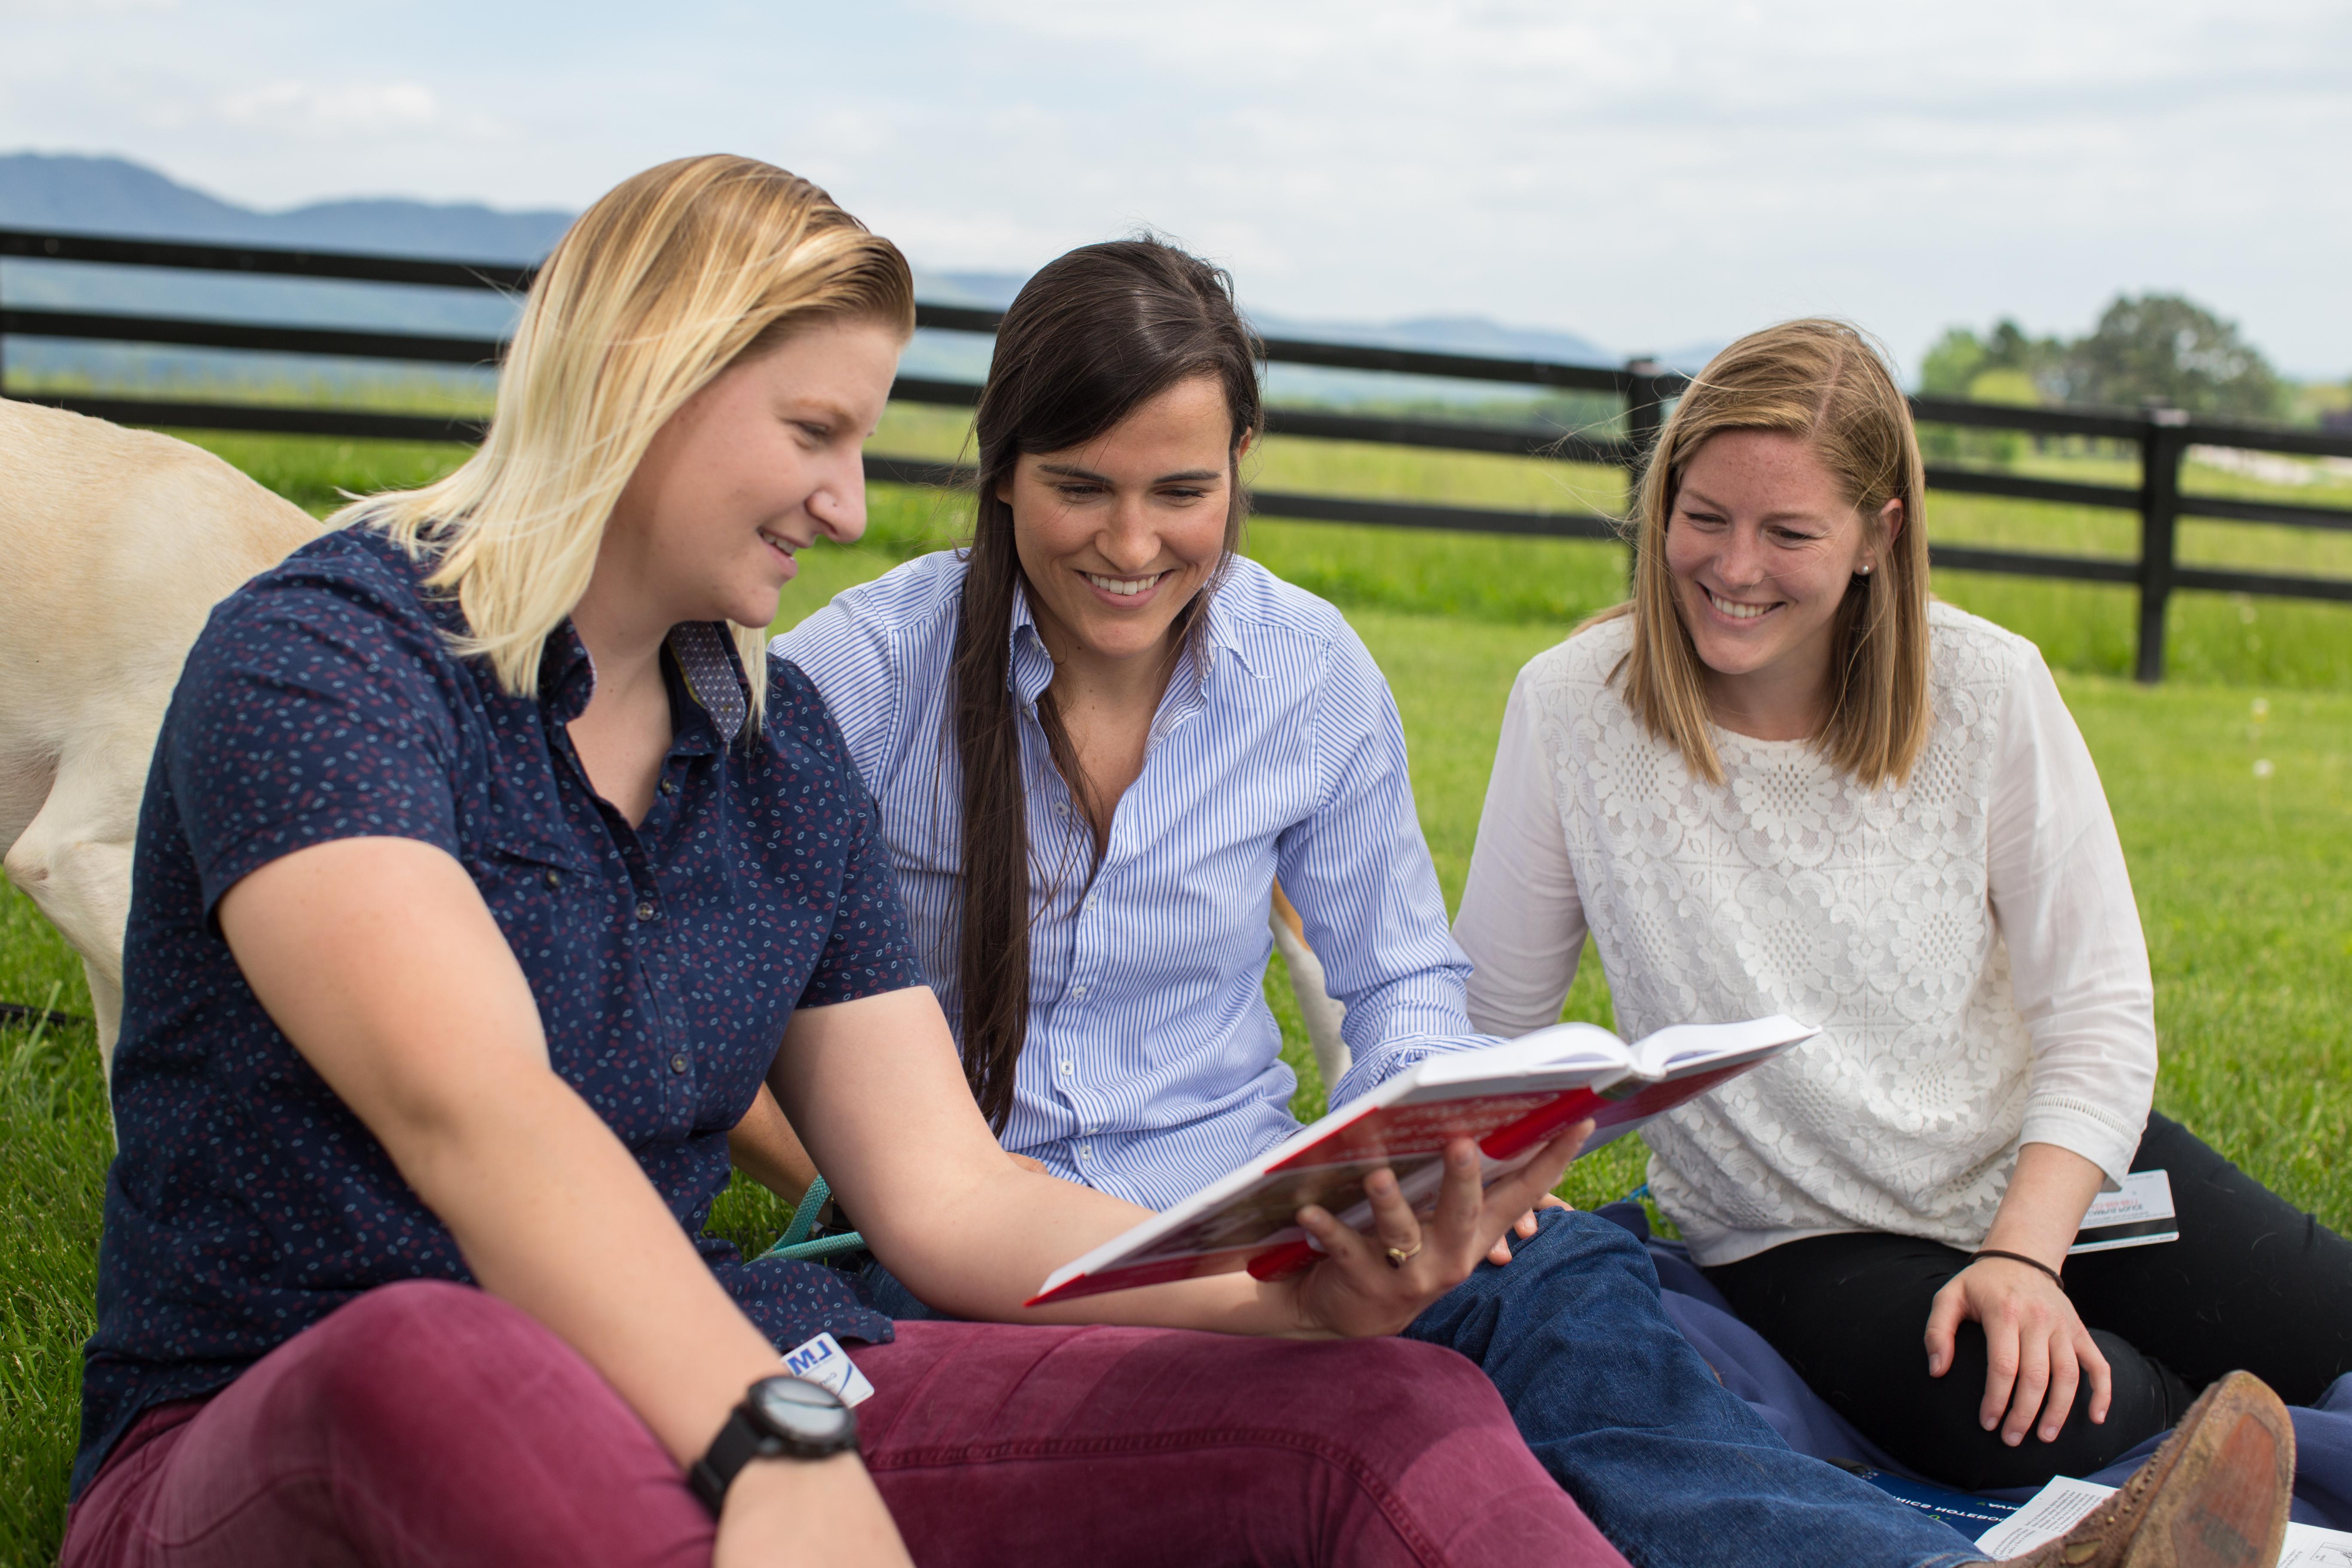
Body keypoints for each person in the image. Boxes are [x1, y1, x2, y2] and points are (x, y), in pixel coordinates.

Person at [60, 156, 1645, 1568]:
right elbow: (474, 1116)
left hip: (703, 1388)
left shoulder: (772, 742)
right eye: (814, 433)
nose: (851, 500)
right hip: (292, 1426)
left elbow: (948, 1195)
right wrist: (766, 1434)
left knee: (1378, 1405)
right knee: (436, 1354)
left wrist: (1285, 1300)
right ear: (641, 382)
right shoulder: (328, 666)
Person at [764, 237, 2293, 1568]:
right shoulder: (859, 683)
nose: (1131, 542)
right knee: (1435, 1404)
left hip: (1255, 1204)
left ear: (1240, 473)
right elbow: (755, 1016)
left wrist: (1425, 1173)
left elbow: (1406, 992)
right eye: (1078, 489)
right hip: (982, 1252)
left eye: (1183, 491)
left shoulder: (1308, 678)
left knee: (1585, 1308)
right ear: (998, 467)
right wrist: (869, 1167)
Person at [1450, 316, 2352, 1493]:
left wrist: (2027, 1255)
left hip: (2050, 1175)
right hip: (1802, 1233)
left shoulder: (1989, 688)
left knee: (2332, 1328)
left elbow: (2099, 1017)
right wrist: (1500, 1171)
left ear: (1880, 535)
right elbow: (1490, 1022)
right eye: (1705, 517)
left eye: (1789, 533)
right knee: (2016, 1417)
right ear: (1662, 499)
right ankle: (2210, 1450)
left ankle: (2216, 1407)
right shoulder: (1574, 708)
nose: (1733, 567)